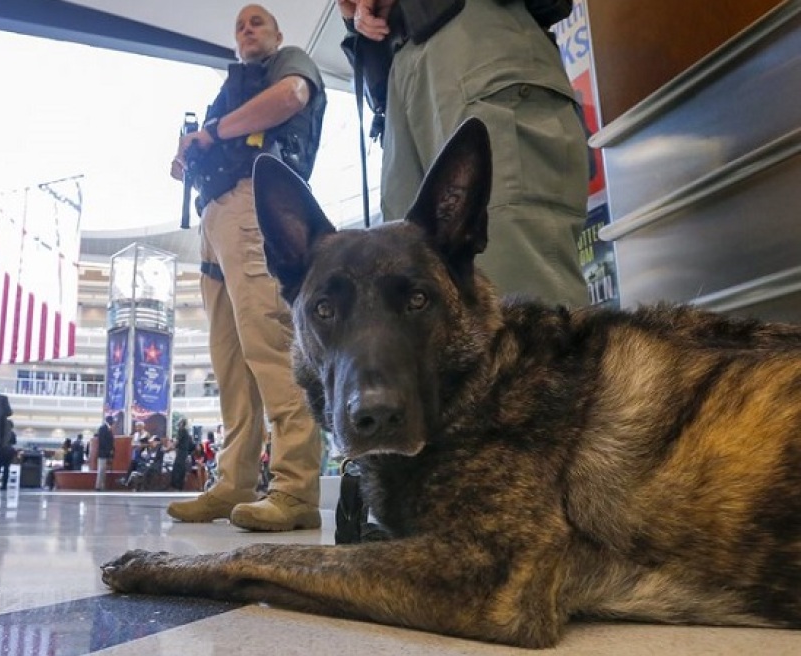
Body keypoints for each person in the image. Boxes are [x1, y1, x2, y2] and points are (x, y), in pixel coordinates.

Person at [166, 4, 326, 531]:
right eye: (240, 26)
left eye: (258, 21)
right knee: (229, 362)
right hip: (215, 219)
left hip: (251, 207)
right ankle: (233, 481)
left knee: (269, 344)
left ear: (277, 34)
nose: (248, 29)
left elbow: (292, 97)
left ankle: (296, 490)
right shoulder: (233, 88)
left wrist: (210, 134)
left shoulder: (288, 63)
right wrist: (189, 155)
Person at [339, 0, 588, 306]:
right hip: (399, 64)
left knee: (518, 285)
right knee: (411, 298)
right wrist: (353, 14)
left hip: (474, 33)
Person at [170, 417, 195, 491]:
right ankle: (180, 485)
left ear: (181, 423)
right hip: (185, 452)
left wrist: (169, 448)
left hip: (181, 452)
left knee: (177, 468)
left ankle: (176, 486)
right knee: (182, 468)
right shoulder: (186, 432)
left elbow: (177, 442)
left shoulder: (181, 430)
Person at [93, 416, 115, 492]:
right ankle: (98, 486)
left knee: (103, 470)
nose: (113, 422)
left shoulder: (109, 428)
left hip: (106, 453)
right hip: (103, 453)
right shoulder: (102, 428)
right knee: (101, 469)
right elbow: (102, 441)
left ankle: (102, 485)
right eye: (112, 421)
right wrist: (109, 450)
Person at [0, 422, 17, 490]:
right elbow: (14, 442)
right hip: (10, 451)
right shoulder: (13, 433)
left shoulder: (2, 433)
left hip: (2, 451)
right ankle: (4, 485)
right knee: (6, 469)